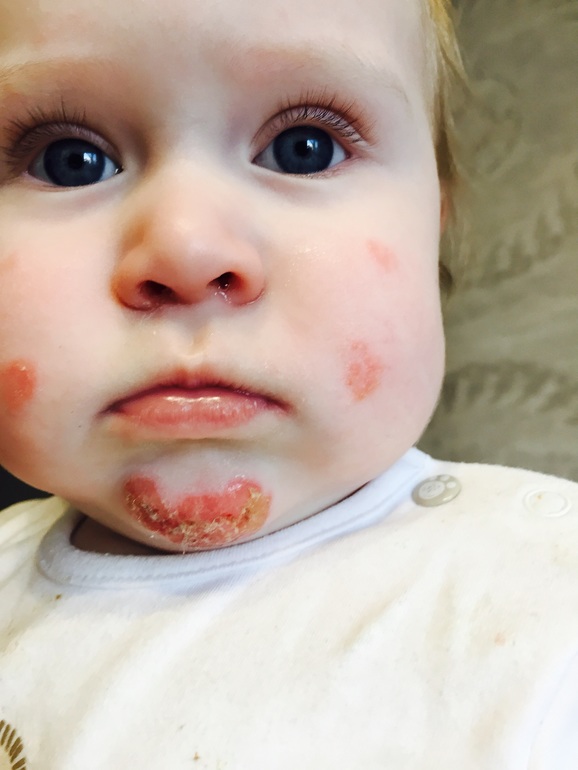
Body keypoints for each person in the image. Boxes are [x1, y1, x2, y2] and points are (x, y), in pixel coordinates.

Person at [0, 0, 577, 767]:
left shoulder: (544, 600)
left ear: (432, 224)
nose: (187, 249)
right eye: (68, 159)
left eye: (304, 150)